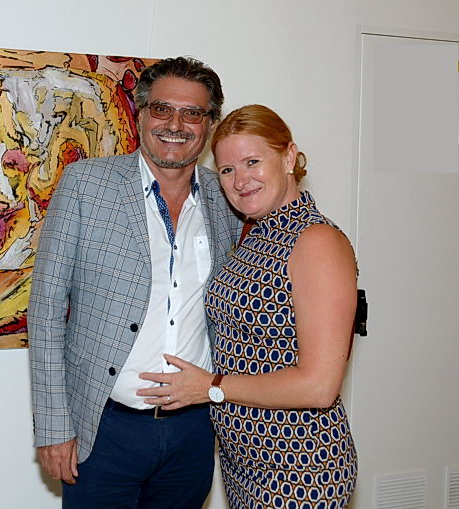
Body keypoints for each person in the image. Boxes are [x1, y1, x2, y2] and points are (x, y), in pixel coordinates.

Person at [28, 57, 242, 507]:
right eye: (162, 109)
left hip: (194, 433)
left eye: (192, 113)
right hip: (105, 431)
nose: (175, 125)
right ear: (141, 115)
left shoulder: (227, 197)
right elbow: (45, 310)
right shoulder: (86, 184)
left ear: (209, 125)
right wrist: (53, 427)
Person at [138, 104, 358, 507]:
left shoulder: (316, 241)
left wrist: (211, 387)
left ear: (289, 158)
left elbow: (319, 386)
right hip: (246, 461)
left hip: (300, 465)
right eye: (227, 170)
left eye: (253, 162)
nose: (240, 180)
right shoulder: (254, 233)